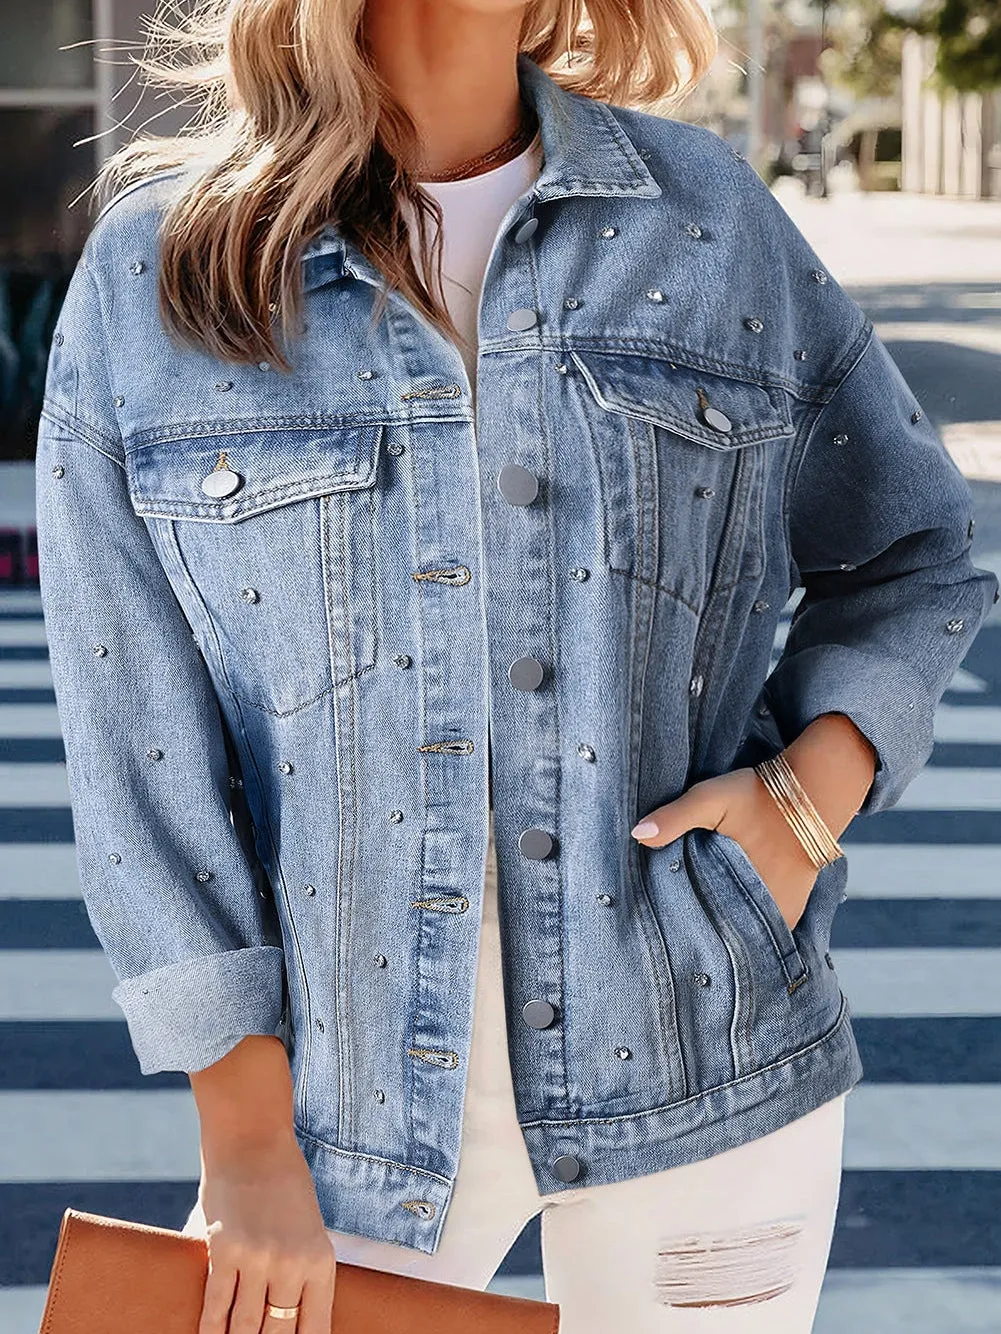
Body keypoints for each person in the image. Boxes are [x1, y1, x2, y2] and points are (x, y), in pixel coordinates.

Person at [34, 1, 998, 1332]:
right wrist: (244, 1131)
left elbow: (917, 548)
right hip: (336, 1130)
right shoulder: (169, 272)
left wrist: (801, 805)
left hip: (704, 1062)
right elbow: (137, 734)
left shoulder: (707, 222)